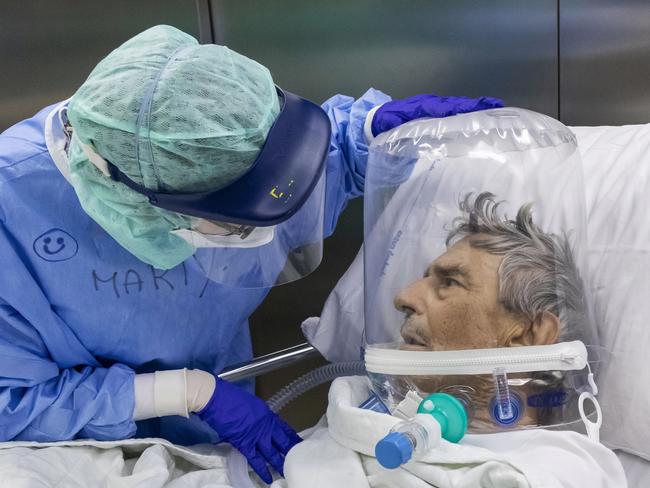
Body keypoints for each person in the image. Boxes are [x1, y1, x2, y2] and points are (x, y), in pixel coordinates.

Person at [0, 24, 502, 483]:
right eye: (237, 222)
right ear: (143, 204)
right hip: (81, 456)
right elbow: (11, 403)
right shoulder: (14, 211)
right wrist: (187, 393)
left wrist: (372, 132)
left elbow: (299, 165)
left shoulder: (206, 133)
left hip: (226, 446)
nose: (263, 233)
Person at [281, 194, 626, 487]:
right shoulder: (355, 416)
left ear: (529, 335)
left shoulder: (556, 472)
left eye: (449, 282)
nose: (403, 297)